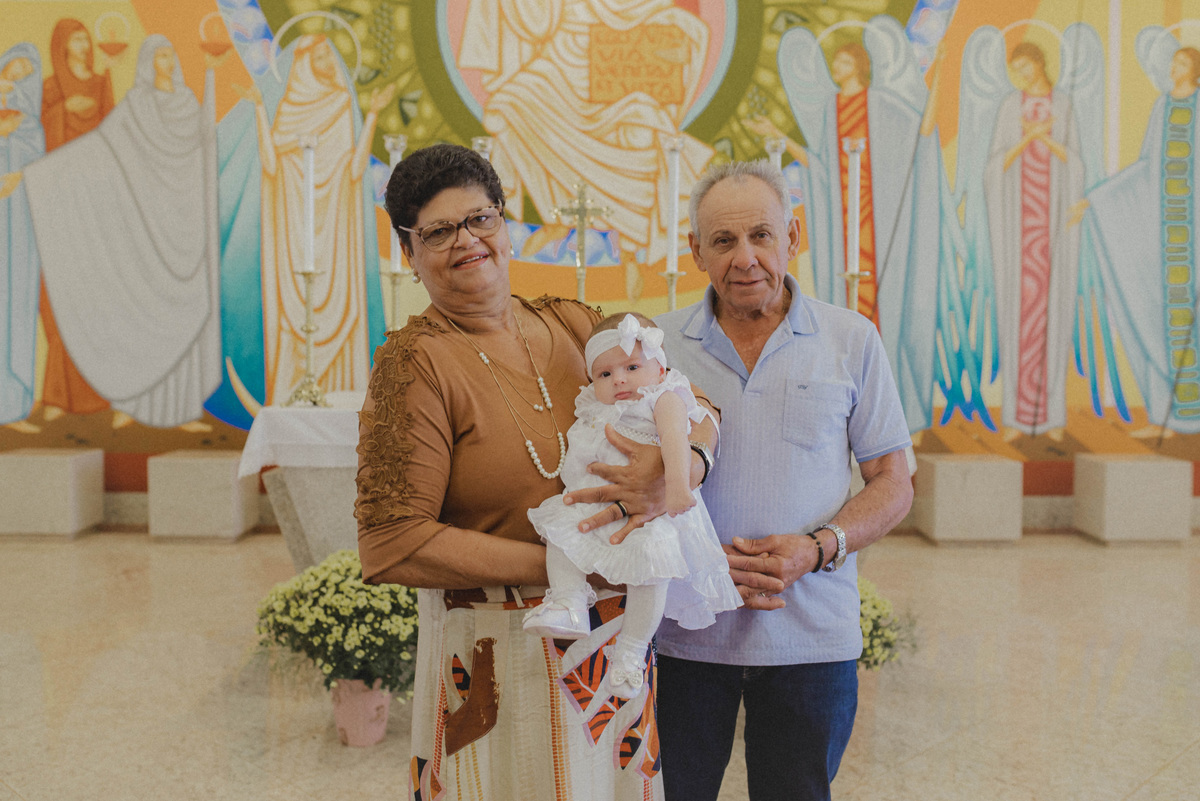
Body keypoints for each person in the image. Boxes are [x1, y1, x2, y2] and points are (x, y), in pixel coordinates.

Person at [355, 143, 718, 800]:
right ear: (408, 251)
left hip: (615, 655)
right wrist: (573, 565)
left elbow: (698, 405)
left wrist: (681, 466)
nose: (467, 240)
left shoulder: (575, 324)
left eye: (481, 218)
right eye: (438, 231)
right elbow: (392, 542)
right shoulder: (415, 365)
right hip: (498, 659)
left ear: (504, 223)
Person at [652, 160, 913, 800]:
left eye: (761, 235)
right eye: (723, 240)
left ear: (792, 237)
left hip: (811, 639)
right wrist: (697, 560)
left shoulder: (851, 340)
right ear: (696, 252)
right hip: (684, 636)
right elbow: (627, 485)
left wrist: (816, 548)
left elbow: (893, 480)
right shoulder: (656, 348)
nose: (745, 258)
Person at [524, 312, 741, 699]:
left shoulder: (664, 398)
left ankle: (631, 650)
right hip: (595, 503)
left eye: (632, 367)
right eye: (605, 374)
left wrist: (678, 487)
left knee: (650, 573)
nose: (619, 379)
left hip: (651, 514)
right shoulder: (594, 405)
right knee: (560, 534)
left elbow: (675, 442)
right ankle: (569, 602)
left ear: (660, 369)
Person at [24, 35, 222, 430]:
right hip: (146, 228)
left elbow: (205, 142)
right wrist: (42, 174)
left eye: (170, 54)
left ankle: (182, 411)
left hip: (183, 221)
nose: (167, 61)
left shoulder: (187, 103)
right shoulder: (136, 105)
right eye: (160, 55)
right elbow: (103, 146)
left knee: (182, 312)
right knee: (146, 311)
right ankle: (134, 404)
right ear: (148, 62)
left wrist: (211, 78)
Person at [234, 34, 394, 406]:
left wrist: (372, 115)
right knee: (294, 309)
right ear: (303, 66)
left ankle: (343, 397)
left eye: (329, 56)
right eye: (319, 58)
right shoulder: (289, 110)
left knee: (340, 306)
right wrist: (259, 108)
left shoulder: (340, 103)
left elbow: (354, 170)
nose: (328, 64)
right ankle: (291, 396)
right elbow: (271, 163)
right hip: (295, 226)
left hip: (337, 227)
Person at [1083, 41, 1200, 436]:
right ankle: (1166, 418)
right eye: (1175, 60)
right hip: (1164, 231)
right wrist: (1097, 198)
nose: (1175, 66)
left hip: (1193, 231)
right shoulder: (1163, 106)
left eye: (1182, 62)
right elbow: (1147, 163)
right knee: (1159, 316)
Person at [984, 41, 1085, 438]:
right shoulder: (1011, 106)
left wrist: (1044, 136)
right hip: (1019, 229)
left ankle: (1050, 416)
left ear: (1040, 63)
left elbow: (1076, 163)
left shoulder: (1065, 105)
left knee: (1053, 315)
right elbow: (994, 167)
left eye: (1026, 67)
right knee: (1019, 315)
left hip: (1052, 228)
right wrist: (1029, 138)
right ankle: (1018, 416)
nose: (1021, 76)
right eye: (1016, 70)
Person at [37, 18, 116, 421]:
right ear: (62, 45)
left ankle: (98, 391)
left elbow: (114, 135)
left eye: (86, 37)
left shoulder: (102, 84)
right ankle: (58, 396)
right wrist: (61, 112)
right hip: (59, 199)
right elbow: (34, 141)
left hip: (94, 202)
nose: (84, 44)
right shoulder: (51, 89)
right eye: (77, 38)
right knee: (60, 293)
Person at [0, 46, 43, 430]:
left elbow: (38, 163)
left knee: (17, 305)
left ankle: (13, 402)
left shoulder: (29, 123)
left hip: (19, 226)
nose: (22, 71)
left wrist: (21, 175)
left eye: (29, 69)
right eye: (19, 63)